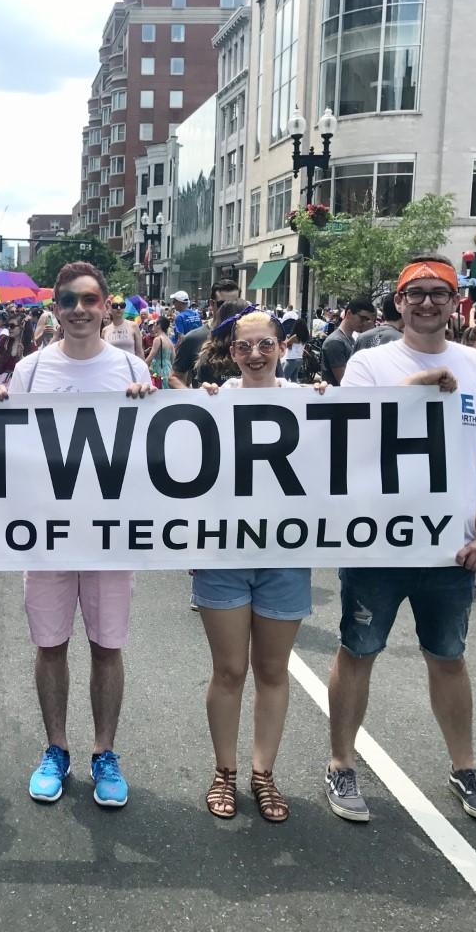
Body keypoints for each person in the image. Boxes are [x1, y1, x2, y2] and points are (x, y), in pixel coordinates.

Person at [328, 254, 476, 823]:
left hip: (448, 548)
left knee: (448, 658)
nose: (427, 302)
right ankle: (340, 764)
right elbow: (353, 437)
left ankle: (465, 766)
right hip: (377, 542)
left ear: (455, 302)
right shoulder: (369, 363)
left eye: (439, 292)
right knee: (358, 652)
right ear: (399, 303)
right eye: (416, 293)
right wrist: (417, 387)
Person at [0, 262, 154, 808]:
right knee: (50, 645)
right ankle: (56, 748)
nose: (78, 309)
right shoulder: (31, 370)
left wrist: (152, 403)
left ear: (106, 306)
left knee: (107, 647)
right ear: (54, 309)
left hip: (110, 533)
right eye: (67, 301)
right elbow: (9, 445)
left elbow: (158, 450)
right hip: (48, 532)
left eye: (88, 299)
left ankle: (105, 752)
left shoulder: (131, 366)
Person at [194, 310, 327, 821]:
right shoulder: (212, 401)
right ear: (231, 353)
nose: (254, 354)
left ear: (282, 346)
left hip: (285, 557)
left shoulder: (308, 400)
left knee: (272, 670)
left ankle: (263, 773)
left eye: (264, 344)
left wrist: (329, 406)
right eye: (244, 346)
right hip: (223, 554)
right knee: (229, 670)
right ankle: (223, 770)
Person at [322, 298, 376, 386]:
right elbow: (345, 382)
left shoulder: (350, 339)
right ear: (349, 314)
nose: (364, 323)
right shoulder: (335, 342)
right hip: (339, 397)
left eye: (367, 320)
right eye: (362, 318)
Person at [146, 315, 174, 389]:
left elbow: (150, 357)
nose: (153, 325)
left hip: (157, 370)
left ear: (159, 325)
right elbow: (173, 359)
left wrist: (141, 366)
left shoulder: (158, 339)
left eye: (155, 323)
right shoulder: (169, 341)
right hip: (168, 370)